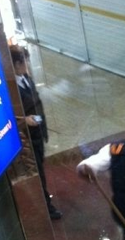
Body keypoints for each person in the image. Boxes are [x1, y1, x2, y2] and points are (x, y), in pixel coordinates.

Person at [10, 45, 62, 220]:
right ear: (17, 64)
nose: (27, 64)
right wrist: (24, 120)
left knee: (41, 169)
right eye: (24, 60)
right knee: (37, 173)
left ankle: (44, 199)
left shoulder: (26, 79)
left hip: (39, 133)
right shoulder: (11, 90)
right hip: (27, 139)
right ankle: (46, 206)